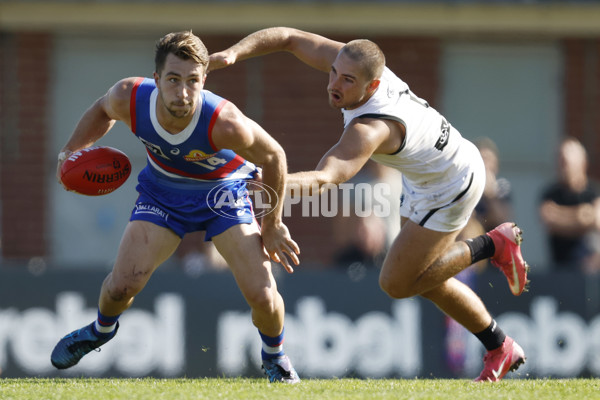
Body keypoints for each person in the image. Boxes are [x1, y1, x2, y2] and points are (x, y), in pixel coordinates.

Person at [209, 27, 530, 382]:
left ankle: (493, 243)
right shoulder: (359, 64)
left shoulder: (371, 127)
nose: (334, 84)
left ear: (372, 87)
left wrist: (260, 187)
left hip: (453, 181)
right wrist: (234, 53)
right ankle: (499, 346)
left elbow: (324, 179)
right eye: (334, 73)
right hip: (427, 174)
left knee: (397, 282)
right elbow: (287, 37)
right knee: (422, 275)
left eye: (347, 80)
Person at [50, 31, 301, 383]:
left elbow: (275, 155)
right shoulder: (129, 97)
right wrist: (69, 154)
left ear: (204, 80)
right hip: (163, 193)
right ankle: (100, 330)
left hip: (222, 195)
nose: (183, 93)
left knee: (262, 295)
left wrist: (272, 224)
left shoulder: (224, 121)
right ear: (156, 79)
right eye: (172, 80)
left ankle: (274, 356)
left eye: (192, 81)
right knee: (121, 287)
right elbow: (101, 110)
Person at [539, 136, 600, 273]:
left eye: (566, 162)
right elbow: (549, 219)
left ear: (583, 163)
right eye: (560, 161)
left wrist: (560, 213)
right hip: (559, 269)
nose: (562, 166)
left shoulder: (593, 193)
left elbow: (596, 220)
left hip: (589, 271)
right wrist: (581, 215)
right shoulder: (550, 193)